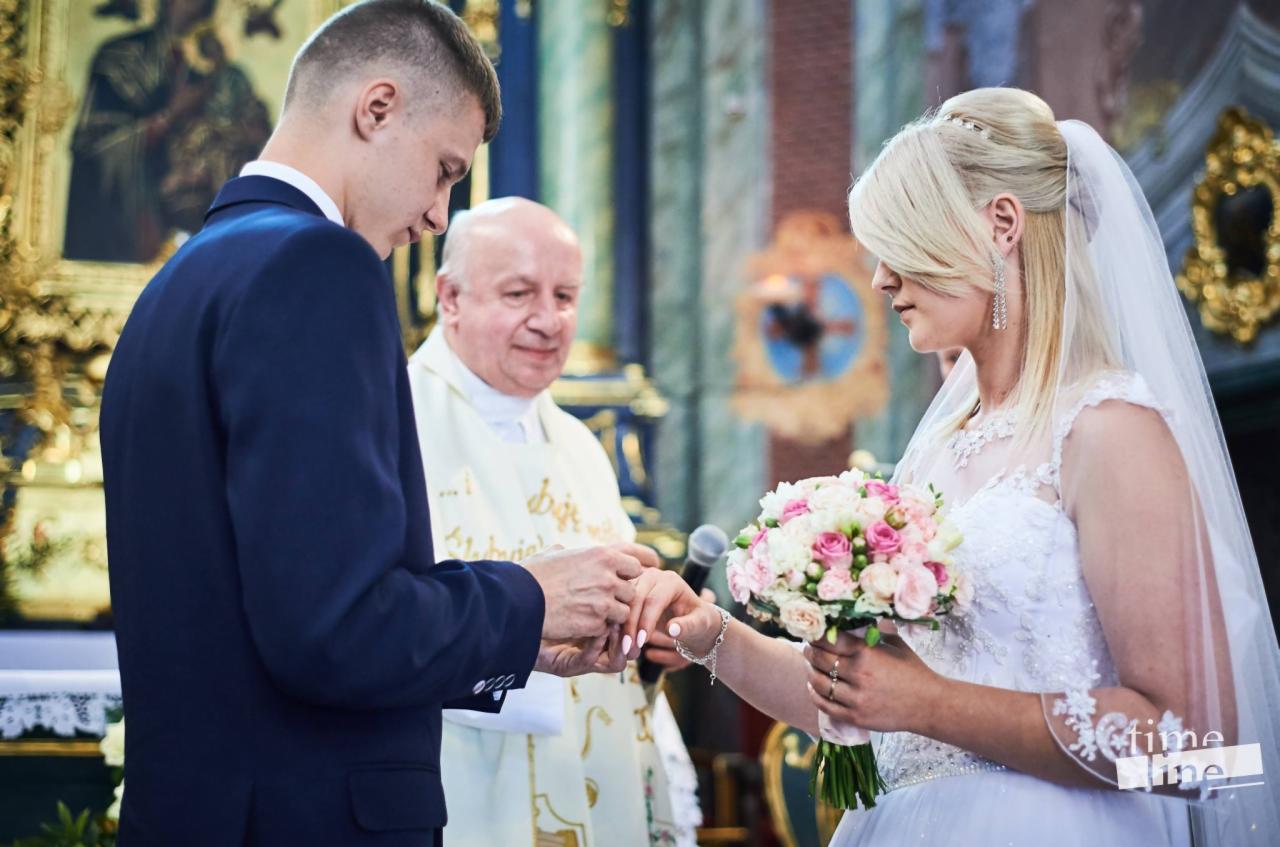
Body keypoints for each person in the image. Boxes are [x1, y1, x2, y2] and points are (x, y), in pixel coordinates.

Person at [626, 87, 1280, 846]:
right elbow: (875, 715)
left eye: (902, 239)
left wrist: (928, 701)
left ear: (1001, 223)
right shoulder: (942, 445)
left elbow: (1198, 748)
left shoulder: (1109, 430)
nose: (878, 279)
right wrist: (711, 636)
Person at [99, 3, 644, 845]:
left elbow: (269, 610)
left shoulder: (178, 282)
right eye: (443, 169)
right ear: (377, 108)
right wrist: (529, 598)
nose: (437, 213)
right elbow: (334, 629)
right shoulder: (317, 265)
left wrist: (520, 644)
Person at [406, 196, 701, 847]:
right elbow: (378, 626)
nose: (549, 320)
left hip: (590, 776)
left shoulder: (579, 445)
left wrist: (649, 640)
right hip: (460, 787)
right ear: (449, 296)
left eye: (566, 296)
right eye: (518, 294)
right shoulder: (395, 427)